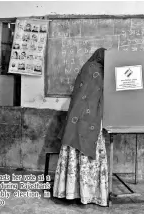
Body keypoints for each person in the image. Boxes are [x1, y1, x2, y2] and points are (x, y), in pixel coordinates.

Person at [53, 48, 108, 206]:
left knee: (75, 154)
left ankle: (72, 192)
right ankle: (87, 194)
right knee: (86, 155)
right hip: (88, 119)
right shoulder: (96, 70)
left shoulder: (87, 67)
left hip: (78, 117)